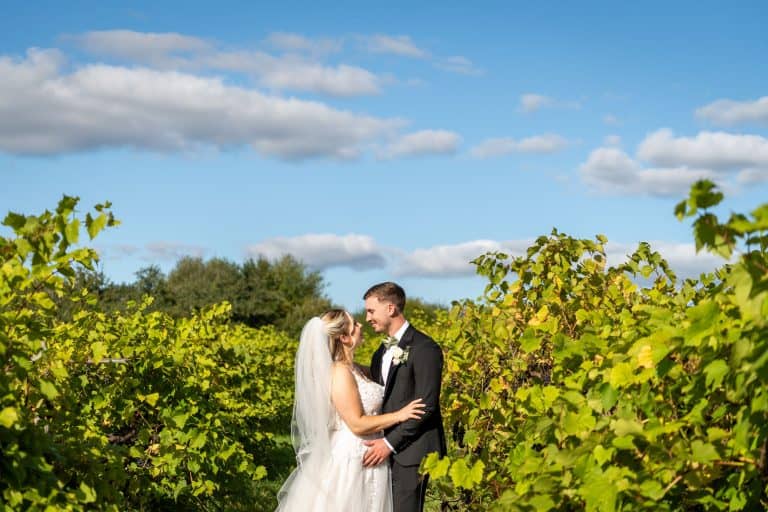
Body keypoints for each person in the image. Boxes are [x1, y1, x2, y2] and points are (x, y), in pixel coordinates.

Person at [276, 309, 425, 512]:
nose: (361, 325)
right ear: (344, 337)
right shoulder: (340, 373)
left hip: (370, 453)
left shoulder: (355, 368)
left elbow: (386, 370)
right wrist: (400, 415)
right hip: (352, 457)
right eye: (355, 324)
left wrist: (403, 348)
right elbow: (357, 423)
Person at [362, 282, 447, 512]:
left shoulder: (425, 348)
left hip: (412, 451)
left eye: (371, 311)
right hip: (381, 450)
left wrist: (389, 443)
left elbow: (426, 406)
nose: (367, 318)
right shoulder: (380, 352)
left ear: (390, 308)